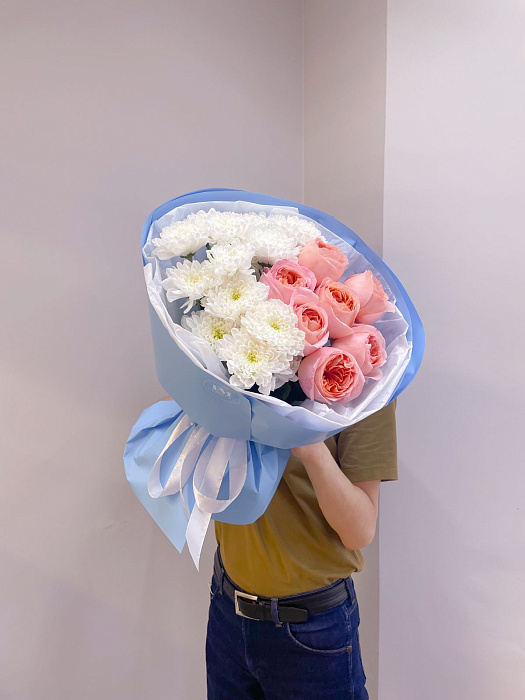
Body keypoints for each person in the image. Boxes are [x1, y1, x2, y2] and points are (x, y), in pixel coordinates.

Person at [205, 397, 398, 699]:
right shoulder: (225, 355)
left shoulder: (367, 374)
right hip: (227, 611)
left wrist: (311, 448)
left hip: (311, 631)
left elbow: (360, 531)